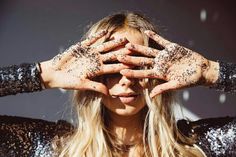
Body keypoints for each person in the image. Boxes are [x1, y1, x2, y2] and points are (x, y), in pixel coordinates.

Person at [0, 11, 235, 157]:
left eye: (137, 64)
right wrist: (43, 75)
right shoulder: (56, 148)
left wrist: (210, 72)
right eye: (112, 65)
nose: (126, 79)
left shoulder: (200, 145)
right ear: (90, 73)